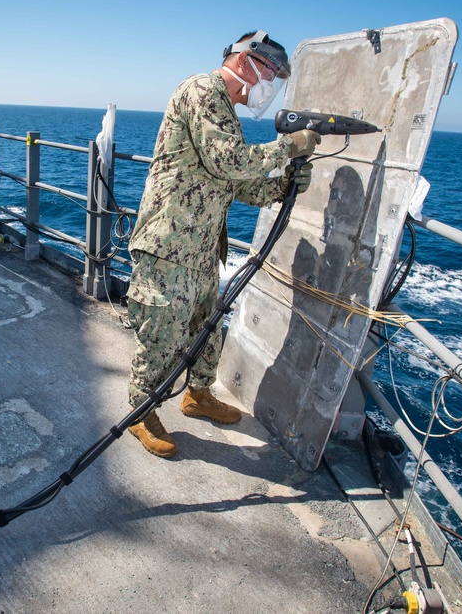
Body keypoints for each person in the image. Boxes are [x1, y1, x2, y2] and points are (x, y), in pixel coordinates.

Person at [125, 30, 320, 458]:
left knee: (206, 330)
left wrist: (284, 183)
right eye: (270, 71)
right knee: (162, 333)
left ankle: (197, 395)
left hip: (199, 250)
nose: (270, 83)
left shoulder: (225, 111)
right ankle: (140, 411)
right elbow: (226, 159)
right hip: (168, 246)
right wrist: (289, 146)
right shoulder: (201, 90)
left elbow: (237, 182)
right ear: (244, 60)